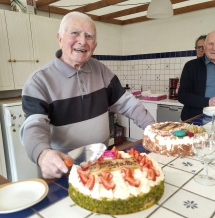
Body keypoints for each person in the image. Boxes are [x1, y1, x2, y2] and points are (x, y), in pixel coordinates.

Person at [19, 12, 155, 179]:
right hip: (65, 169)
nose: (82, 41)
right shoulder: (39, 81)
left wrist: (152, 128)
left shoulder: (101, 71)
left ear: (94, 45)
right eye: (75, 33)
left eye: (89, 36)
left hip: (103, 161)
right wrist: (42, 153)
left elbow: (127, 104)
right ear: (60, 38)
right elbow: (34, 125)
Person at [178, 30, 215, 121]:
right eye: (210, 44)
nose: (214, 48)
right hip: (196, 119)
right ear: (205, 45)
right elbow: (182, 95)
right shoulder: (191, 66)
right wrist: (208, 101)